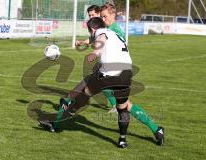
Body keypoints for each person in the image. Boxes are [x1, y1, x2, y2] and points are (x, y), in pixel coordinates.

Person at [39, 17, 164, 148]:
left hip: (107, 74)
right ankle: (123, 140)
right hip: (126, 73)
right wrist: (83, 43)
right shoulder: (113, 33)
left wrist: (95, 52)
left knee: (79, 96)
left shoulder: (101, 33)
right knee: (123, 108)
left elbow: (101, 39)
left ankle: (55, 123)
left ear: (93, 29)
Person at [76, 5, 117, 112]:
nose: (90, 17)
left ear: (99, 14)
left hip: (112, 60)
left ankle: (74, 102)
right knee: (102, 82)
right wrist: (81, 42)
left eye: (92, 15)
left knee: (93, 82)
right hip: (107, 60)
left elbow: (103, 39)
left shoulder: (107, 28)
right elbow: (92, 38)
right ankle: (116, 105)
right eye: (89, 15)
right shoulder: (99, 28)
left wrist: (95, 53)